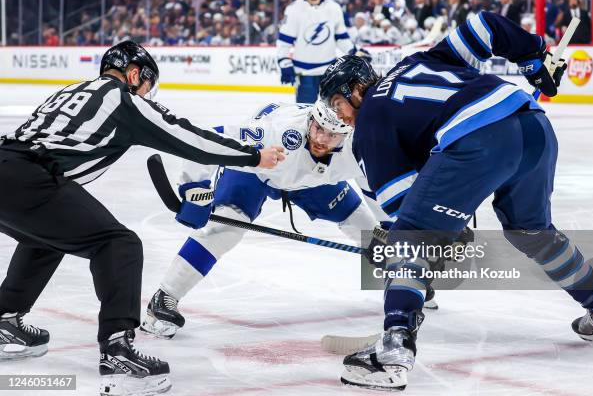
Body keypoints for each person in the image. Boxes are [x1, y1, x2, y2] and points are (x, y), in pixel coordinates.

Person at [319, 12, 593, 390]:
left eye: (338, 105)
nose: (339, 118)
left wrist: (438, 239)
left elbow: (404, 210)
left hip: (479, 140)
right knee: (532, 232)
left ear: (356, 90)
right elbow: (485, 26)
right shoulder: (417, 61)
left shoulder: (370, 124)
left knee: (409, 237)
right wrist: (535, 57)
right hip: (533, 124)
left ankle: (393, 349)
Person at [0, 40, 284, 395]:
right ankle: (117, 351)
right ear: (134, 74)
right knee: (120, 244)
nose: (148, 95)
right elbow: (185, 136)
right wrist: (253, 157)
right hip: (31, 177)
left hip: (9, 166)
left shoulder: (74, 89)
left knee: (47, 236)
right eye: (148, 86)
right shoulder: (124, 99)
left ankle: (5, 319)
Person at [140, 100, 440, 338]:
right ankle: (163, 299)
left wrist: (403, 225)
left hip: (314, 181)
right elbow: (213, 136)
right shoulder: (279, 130)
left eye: (332, 134)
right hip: (259, 167)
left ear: (346, 134)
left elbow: (377, 188)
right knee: (223, 229)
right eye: (318, 128)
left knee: (367, 227)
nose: (321, 139)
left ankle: (406, 279)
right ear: (310, 120)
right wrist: (194, 185)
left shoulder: (355, 147)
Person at [276, 0, 354, 103]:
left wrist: (353, 51)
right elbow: (284, 42)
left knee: (332, 114)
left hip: (329, 71)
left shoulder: (333, 8)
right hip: (304, 72)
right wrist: (284, 63)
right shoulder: (294, 9)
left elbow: (341, 38)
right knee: (305, 113)